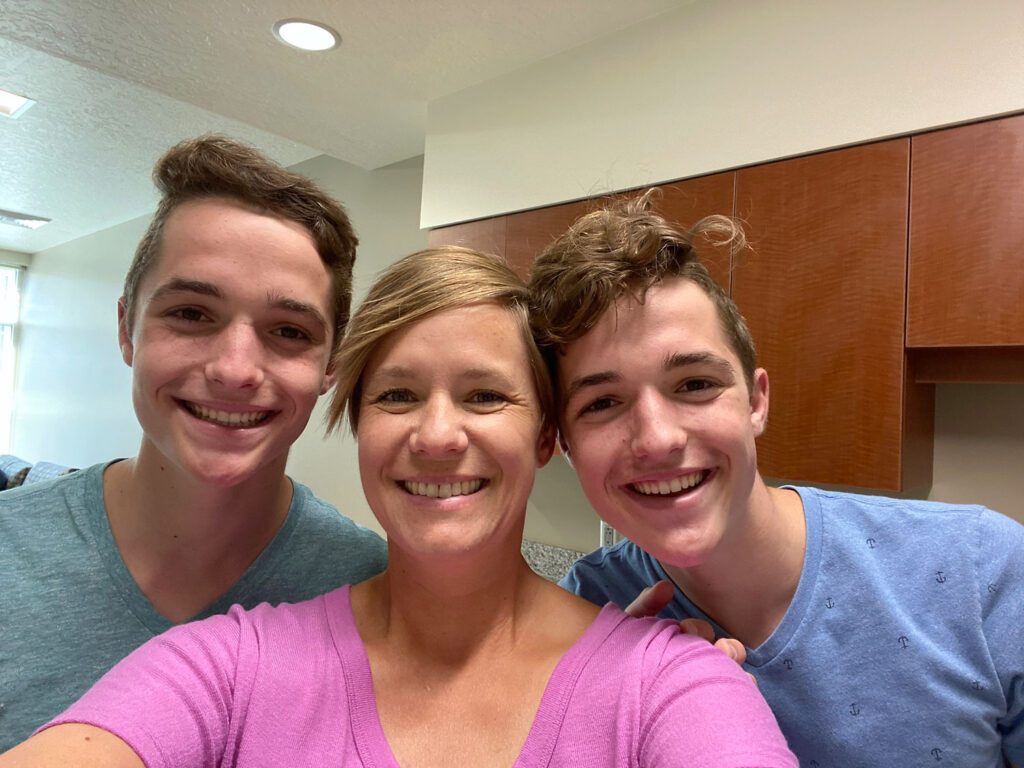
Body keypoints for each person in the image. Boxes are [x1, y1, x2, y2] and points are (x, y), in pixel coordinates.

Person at [1, 246, 797, 767]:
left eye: (486, 395)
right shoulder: (227, 665)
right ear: (357, 424)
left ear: (546, 434)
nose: (438, 435)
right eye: (397, 395)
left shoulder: (669, 685)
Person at [527, 192, 1024, 767]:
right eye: (603, 403)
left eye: (694, 385)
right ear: (565, 443)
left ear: (756, 401)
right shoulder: (583, 619)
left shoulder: (980, 572)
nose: (657, 438)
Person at [0, 136, 386, 750]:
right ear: (127, 329)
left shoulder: (368, 587)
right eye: (190, 314)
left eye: (288, 331)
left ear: (330, 365)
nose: (236, 369)